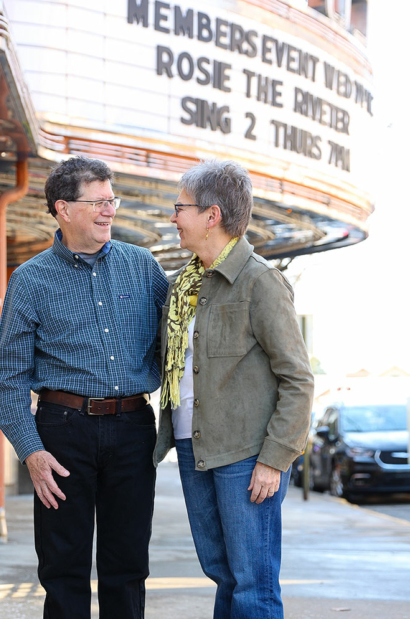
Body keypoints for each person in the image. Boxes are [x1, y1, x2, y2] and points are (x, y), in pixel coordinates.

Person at [0, 156, 168, 619]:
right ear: (63, 209)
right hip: (62, 433)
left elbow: (178, 345)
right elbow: (7, 376)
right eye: (99, 201)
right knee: (63, 568)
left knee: (127, 565)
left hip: (133, 428)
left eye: (113, 200)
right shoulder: (29, 280)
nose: (110, 210)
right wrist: (31, 450)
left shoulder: (144, 267)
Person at [154, 160, 314, 619]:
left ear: (212, 215)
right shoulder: (183, 285)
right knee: (223, 574)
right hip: (192, 445)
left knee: (253, 583)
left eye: (180, 207)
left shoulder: (260, 281)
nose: (172, 217)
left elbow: (298, 378)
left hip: (246, 455)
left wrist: (274, 458)